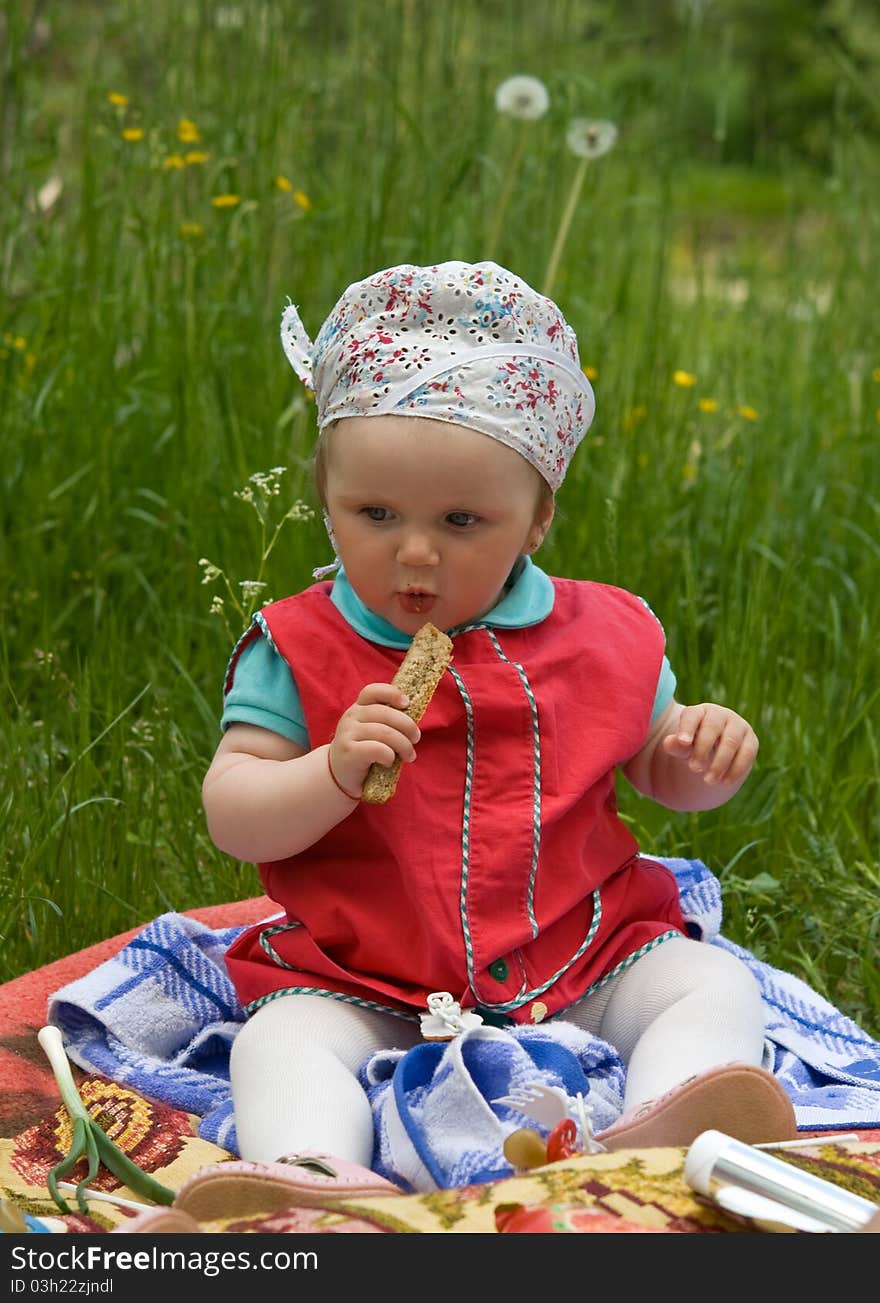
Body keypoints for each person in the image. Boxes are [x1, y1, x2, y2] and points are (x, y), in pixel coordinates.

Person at [202, 260, 796, 1193]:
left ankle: (667, 1119)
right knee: (280, 1040)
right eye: (375, 513)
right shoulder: (301, 644)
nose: (414, 551)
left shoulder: (603, 635)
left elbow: (657, 764)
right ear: (326, 496)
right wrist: (327, 773)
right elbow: (233, 810)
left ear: (537, 520)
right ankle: (311, 1178)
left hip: (583, 947)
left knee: (707, 982)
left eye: (463, 519)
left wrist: (699, 756)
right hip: (366, 972)